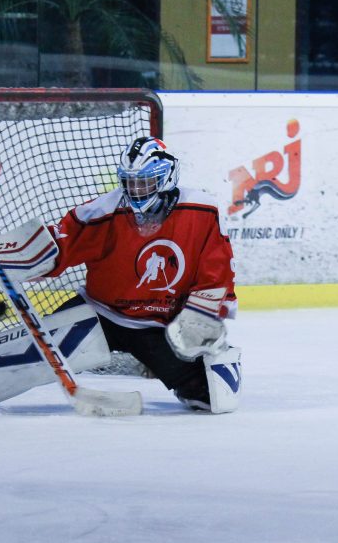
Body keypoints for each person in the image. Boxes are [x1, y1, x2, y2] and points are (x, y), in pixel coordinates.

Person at [37, 136, 240, 413]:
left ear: (166, 178)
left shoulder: (203, 210)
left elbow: (216, 274)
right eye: (130, 182)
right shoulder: (103, 210)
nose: (136, 190)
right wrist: (31, 256)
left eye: (145, 181)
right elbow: (62, 244)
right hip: (99, 314)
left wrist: (199, 318)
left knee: (208, 397)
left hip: (156, 327)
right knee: (29, 355)